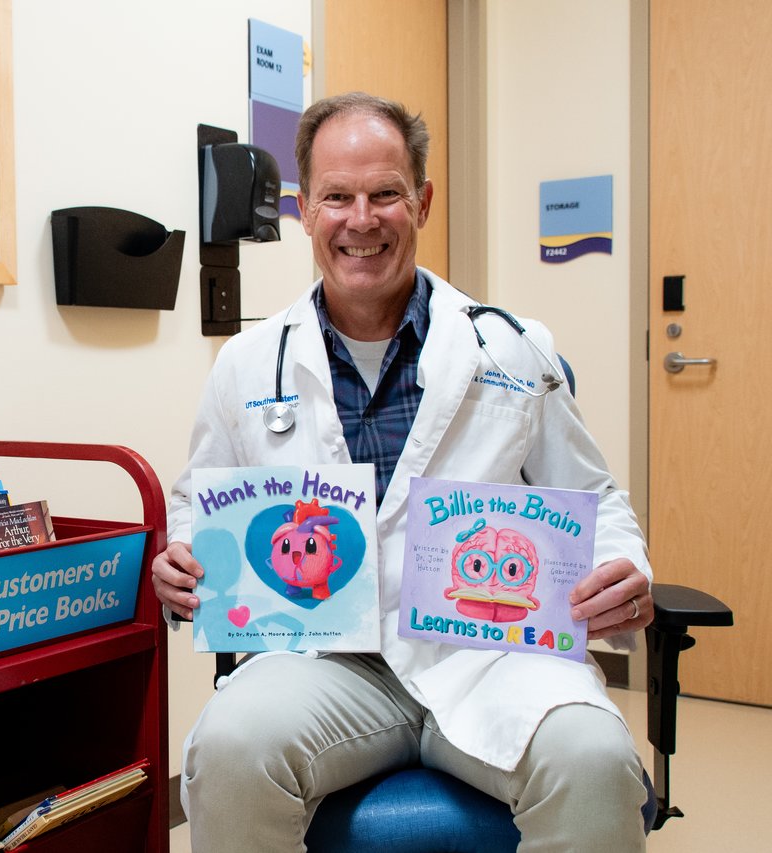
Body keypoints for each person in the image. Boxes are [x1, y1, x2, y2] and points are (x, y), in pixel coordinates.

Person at [152, 91, 654, 852]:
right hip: (328, 662)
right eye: (336, 197)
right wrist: (185, 560)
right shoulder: (248, 364)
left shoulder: (513, 348)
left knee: (595, 762)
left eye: (385, 193)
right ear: (305, 211)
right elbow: (202, 503)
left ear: (421, 202)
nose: (361, 219)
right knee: (227, 748)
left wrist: (623, 566)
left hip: (491, 651)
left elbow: (594, 497)